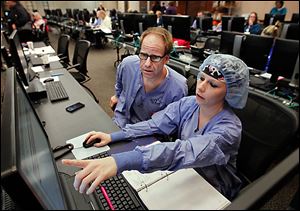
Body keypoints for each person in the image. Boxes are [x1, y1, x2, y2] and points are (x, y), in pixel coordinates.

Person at [62, 54, 249, 200]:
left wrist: (121, 161)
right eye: (201, 78)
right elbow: (154, 124)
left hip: (212, 186)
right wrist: (114, 137)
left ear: (230, 92)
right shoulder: (190, 103)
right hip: (185, 172)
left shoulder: (229, 130)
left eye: (213, 84)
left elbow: (183, 151)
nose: (200, 87)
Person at [109, 27, 188, 128]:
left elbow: (169, 125)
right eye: (143, 55)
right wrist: (117, 96)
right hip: (120, 122)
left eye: (155, 57)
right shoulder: (128, 64)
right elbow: (119, 85)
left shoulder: (178, 88)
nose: (147, 64)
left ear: (166, 59)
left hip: (148, 134)